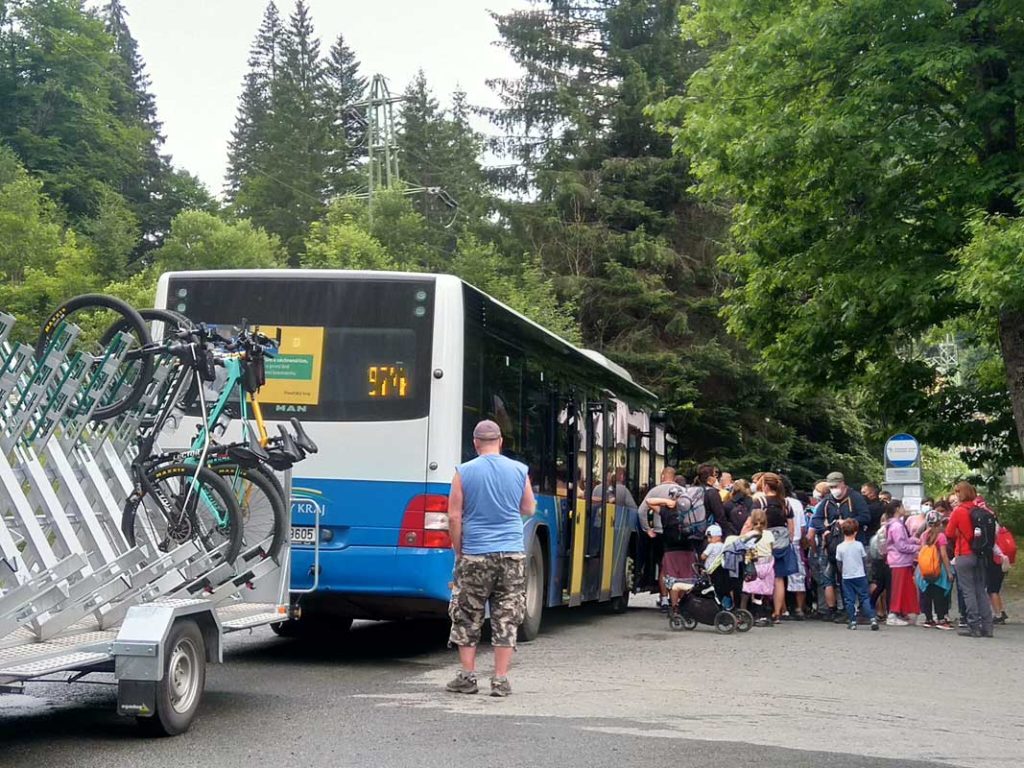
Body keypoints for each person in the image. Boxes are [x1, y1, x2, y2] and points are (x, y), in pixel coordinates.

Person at [446, 420, 536, 697]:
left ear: (475, 443)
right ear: (500, 441)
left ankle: (467, 677)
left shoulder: (463, 471)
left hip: (475, 553)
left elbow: (453, 516)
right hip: (511, 554)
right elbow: (529, 508)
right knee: (507, 614)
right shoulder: (519, 470)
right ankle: (500, 680)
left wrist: (459, 550)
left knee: (467, 614)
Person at [810, 472, 870, 620]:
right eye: (831, 487)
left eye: (836, 486)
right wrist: (824, 530)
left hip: (853, 545)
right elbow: (816, 519)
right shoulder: (827, 501)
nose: (834, 489)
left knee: (852, 578)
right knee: (833, 578)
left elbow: (865, 517)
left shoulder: (856, 498)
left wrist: (848, 523)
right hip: (833, 546)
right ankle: (839, 610)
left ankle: (858, 610)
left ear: (843, 484)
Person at [946, 482, 994, 638]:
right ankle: (987, 626)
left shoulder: (959, 511)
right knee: (980, 590)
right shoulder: (978, 510)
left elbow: (949, 533)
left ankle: (974, 626)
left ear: (960, 494)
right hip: (980, 554)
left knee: (968, 591)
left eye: (957, 492)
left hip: (964, 554)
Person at [747, 472, 796, 625]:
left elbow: (751, 522)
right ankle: (777, 613)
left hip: (763, 543)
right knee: (779, 578)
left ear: (766, 486)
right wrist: (788, 540)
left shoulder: (760, 501)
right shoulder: (785, 502)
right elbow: (791, 526)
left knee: (760, 576)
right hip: (782, 542)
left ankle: (759, 610)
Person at [637, 469, 684, 611]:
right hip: (679, 534)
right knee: (679, 567)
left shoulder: (655, 491)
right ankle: (678, 600)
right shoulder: (683, 491)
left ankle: (664, 599)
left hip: (660, 532)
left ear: (662, 476)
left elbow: (641, 511)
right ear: (674, 477)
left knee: (663, 567)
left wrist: (647, 529)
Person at [835, 518, 879, 630]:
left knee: (849, 600)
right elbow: (864, 560)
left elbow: (839, 563)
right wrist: (865, 571)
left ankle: (852, 621)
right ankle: (872, 619)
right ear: (856, 532)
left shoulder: (840, 547)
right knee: (864, 598)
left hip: (847, 576)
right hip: (860, 575)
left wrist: (842, 571)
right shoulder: (859, 545)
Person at [884, 499, 920, 626]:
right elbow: (901, 546)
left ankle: (899, 612)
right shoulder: (897, 526)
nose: (904, 509)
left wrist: (912, 540)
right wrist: (917, 547)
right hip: (899, 561)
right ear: (897, 509)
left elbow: (901, 542)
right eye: (902, 506)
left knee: (903, 588)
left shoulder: (893, 524)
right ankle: (893, 614)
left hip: (899, 560)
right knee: (898, 589)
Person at [916, 510, 953, 629]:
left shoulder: (923, 535)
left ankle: (928, 619)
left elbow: (922, 552)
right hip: (938, 569)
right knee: (939, 594)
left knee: (927, 594)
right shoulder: (941, 536)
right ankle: (941, 619)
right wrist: (949, 571)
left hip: (925, 569)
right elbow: (943, 555)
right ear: (939, 523)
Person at [741, 507, 775, 626]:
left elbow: (742, 544)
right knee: (761, 591)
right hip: (768, 565)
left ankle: (745, 613)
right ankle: (762, 615)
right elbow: (771, 548)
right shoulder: (769, 534)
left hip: (754, 565)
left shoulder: (749, 535)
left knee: (748, 589)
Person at [697, 464, 731, 537]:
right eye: (715, 475)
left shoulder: (694, 489)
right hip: (707, 531)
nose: (716, 478)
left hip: (693, 529)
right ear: (710, 478)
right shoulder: (712, 492)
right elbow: (720, 516)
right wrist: (728, 533)